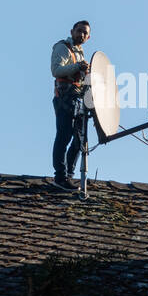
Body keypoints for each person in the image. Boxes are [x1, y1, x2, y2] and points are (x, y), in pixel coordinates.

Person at [50, 20, 91, 190]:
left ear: (88, 37)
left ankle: (69, 176)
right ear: (72, 31)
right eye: (79, 30)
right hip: (65, 99)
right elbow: (56, 70)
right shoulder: (63, 47)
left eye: (84, 32)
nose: (81, 34)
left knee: (80, 139)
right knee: (64, 136)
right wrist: (76, 66)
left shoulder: (80, 54)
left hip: (78, 100)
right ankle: (60, 177)